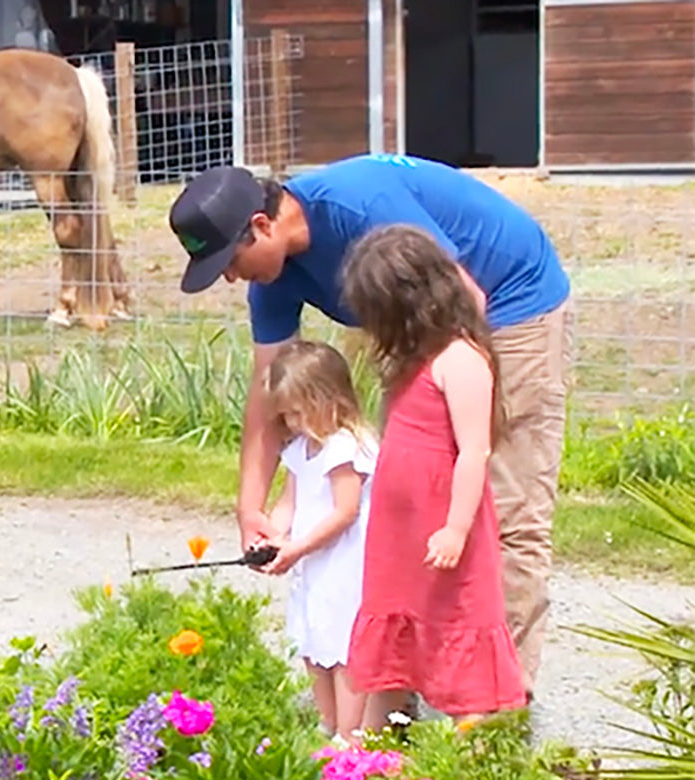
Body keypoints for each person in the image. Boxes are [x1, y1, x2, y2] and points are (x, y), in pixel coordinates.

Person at [167, 154, 571, 699]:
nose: (232, 277)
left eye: (229, 261)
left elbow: (465, 300)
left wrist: (460, 424)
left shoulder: (360, 207)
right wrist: (251, 508)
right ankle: (407, 696)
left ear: (261, 226)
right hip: (420, 329)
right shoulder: (275, 278)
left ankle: (498, 711)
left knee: (502, 510)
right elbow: (269, 394)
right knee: (403, 503)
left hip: (508, 301)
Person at [340, 223, 527, 725]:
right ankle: (375, 752)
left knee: (458, 624)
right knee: (393, 632)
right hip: (402, 534)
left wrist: (456, 527)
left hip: (444, 530)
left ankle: (475, 746)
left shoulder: (461, 359)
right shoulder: (415, 359)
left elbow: (473, 451)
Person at [257, 339, 377, 744]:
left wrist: (299, 547)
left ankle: (350, 732)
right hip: (312, 562)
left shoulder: (344, 448)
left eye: (297, 411)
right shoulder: (303, 447)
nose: (291, 422)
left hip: (343, 564)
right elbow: (289, 502)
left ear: (328, 399)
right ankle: (327, 723)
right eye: (286, 415)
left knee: (343, 647)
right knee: (312, 640)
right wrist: (274, 537)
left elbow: (346, 512)